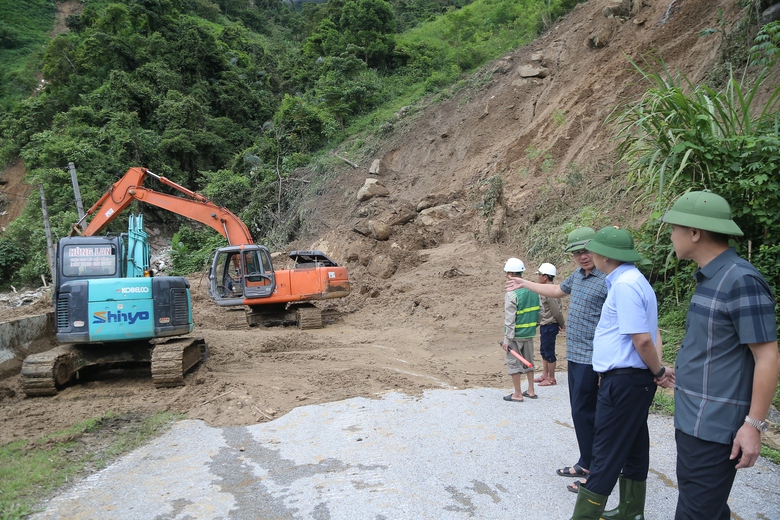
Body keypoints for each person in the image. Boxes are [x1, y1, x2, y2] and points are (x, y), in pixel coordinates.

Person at [660, 191, 780, 520]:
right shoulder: (711, 278)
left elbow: (768, 356)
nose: (671, 235)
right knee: (705, 507)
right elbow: (715, 348)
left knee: (696, 512)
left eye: (674, 228)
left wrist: (753, 425)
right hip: (693, 419)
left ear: (695, 233)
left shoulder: (741, 280)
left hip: (714, 427)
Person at [506, 227, 607, 492]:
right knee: (579, 412)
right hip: (575, 356)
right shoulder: (579, 276)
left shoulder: (607, 278)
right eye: (576, 252)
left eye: (586, 251)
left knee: (593, 414)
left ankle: (597, 471)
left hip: (594, 359)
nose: (582, 256)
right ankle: (586, 461)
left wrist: (604, 365)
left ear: (597, 249)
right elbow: (556, 291)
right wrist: (524, 282)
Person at [501, 257, 540, 402]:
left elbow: (510, 320)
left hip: (516, 335)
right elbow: (540, 312)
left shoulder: (512, 294)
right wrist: (533, 326)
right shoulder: (534, 290)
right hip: (529, 334)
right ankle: (530, 390)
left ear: (510, 273)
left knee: (514, 363)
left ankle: (517, 393)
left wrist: (507, 340)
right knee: (529, 361)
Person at [534, 262, 565, 386]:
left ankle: (551, 378)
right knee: (544, 350)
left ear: (545, 277)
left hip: (550, 325)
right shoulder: (545, 290)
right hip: (545, 324)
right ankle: (545, 374)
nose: (538, 277)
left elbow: (556, 310)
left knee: (549, 351)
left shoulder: (550, 291)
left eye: (540, 275)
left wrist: (561, 324)